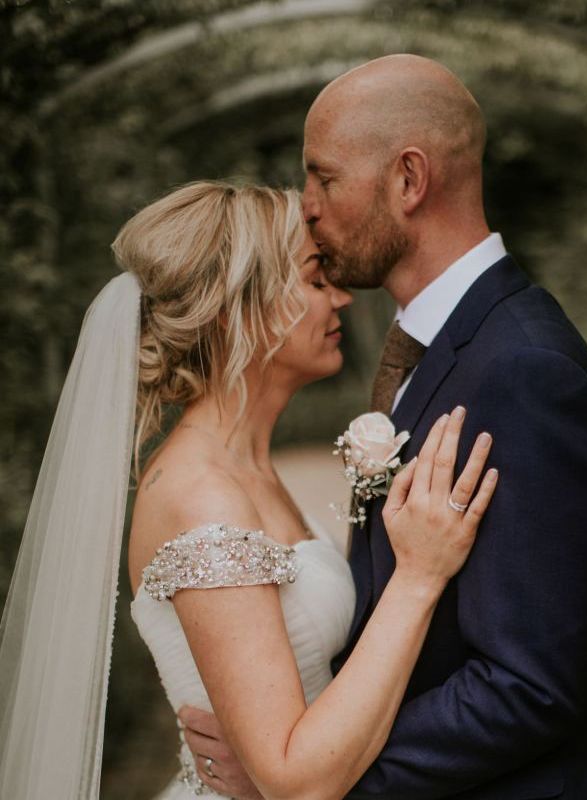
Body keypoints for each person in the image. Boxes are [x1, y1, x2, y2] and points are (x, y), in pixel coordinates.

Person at [181, 55, 587, 799]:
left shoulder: (525, 368)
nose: (306, 207)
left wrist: (310, 776)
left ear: (408, 179)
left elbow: (531, 683)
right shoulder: (436, 348)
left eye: (324, 178)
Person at [0, 180, 498, 799]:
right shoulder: (202, 496)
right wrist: (419, 578)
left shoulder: (245, 470)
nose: (340, 297)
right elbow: (293, 779)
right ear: (239, 310)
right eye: (315, 279)